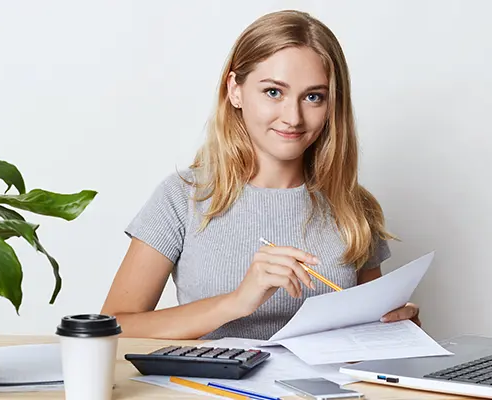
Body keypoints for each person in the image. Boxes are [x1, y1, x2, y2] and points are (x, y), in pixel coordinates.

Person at [99, 10, 419, 341]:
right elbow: (112, 327)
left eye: (313, 97)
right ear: (235, 90)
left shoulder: (353, 207)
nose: (293, 117)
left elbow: (373, 331)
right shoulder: (182, 197)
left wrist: (397, 328)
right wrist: (237, 302)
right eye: (273, 92)